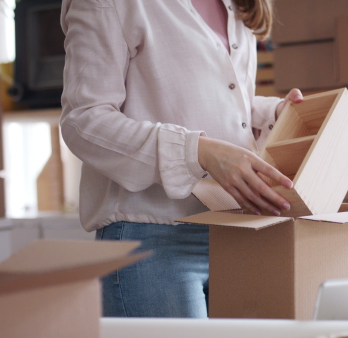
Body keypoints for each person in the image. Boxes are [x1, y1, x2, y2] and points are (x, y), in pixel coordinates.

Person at [60, 0, 303, 318]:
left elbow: (208, 100)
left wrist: (272, 114)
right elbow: (84, 121)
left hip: (232, 234)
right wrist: (196, 152)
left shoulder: (237, 4)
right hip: (150, 239)